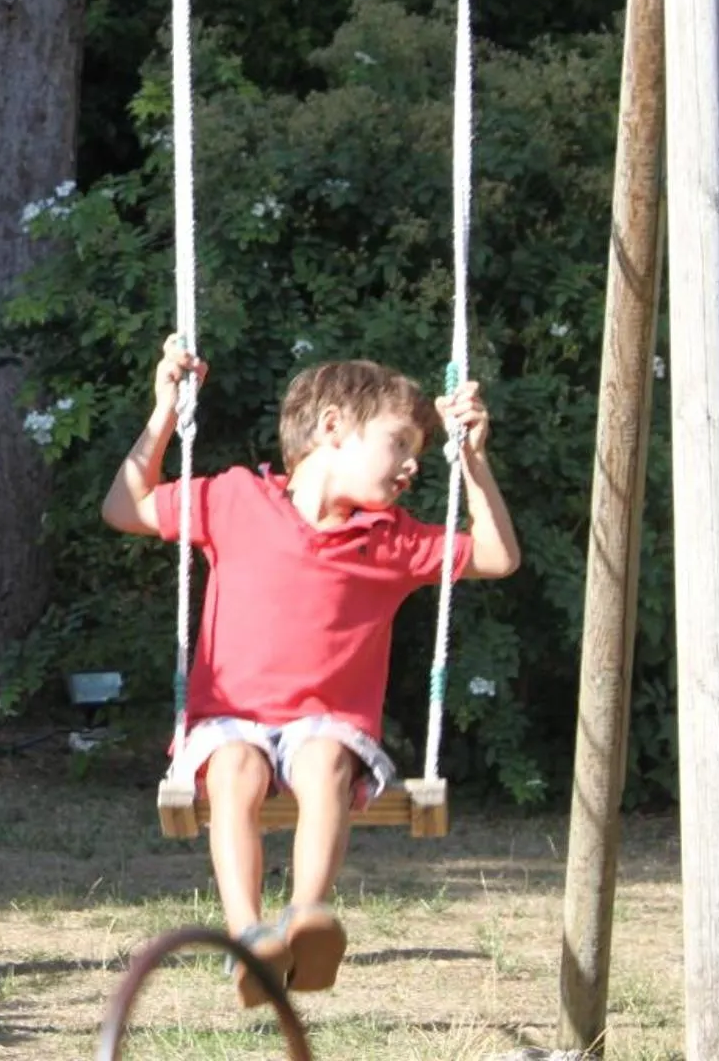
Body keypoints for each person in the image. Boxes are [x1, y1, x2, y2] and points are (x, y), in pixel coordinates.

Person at [102, 336, 519, 1008]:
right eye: (400, 443)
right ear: (332, 429)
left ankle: (305, 921)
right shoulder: (234, 499)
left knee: (324, 754)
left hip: (325, 728)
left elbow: (498, 557)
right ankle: (250, 942)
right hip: (229, 721)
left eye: (419, 450)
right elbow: (124, 508)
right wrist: (163, 415)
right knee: (235, 765)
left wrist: (472, 462)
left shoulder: (392, 540)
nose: (413, 464)